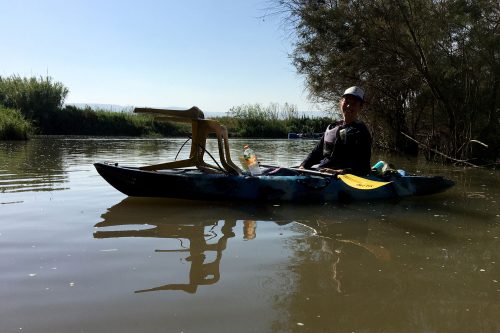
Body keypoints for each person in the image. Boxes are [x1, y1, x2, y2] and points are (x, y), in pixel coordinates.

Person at [299, 86, 372, 176]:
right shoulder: (332, 127)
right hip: (321, 172)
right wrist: (303, 165)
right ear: (341, 103)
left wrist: (340, 172)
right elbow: (317, 152)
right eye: (346, 102)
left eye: (354, 103)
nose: (349, 106)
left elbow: (364, 168)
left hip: (339, 179)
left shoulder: (362, 132)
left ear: (360, 107)